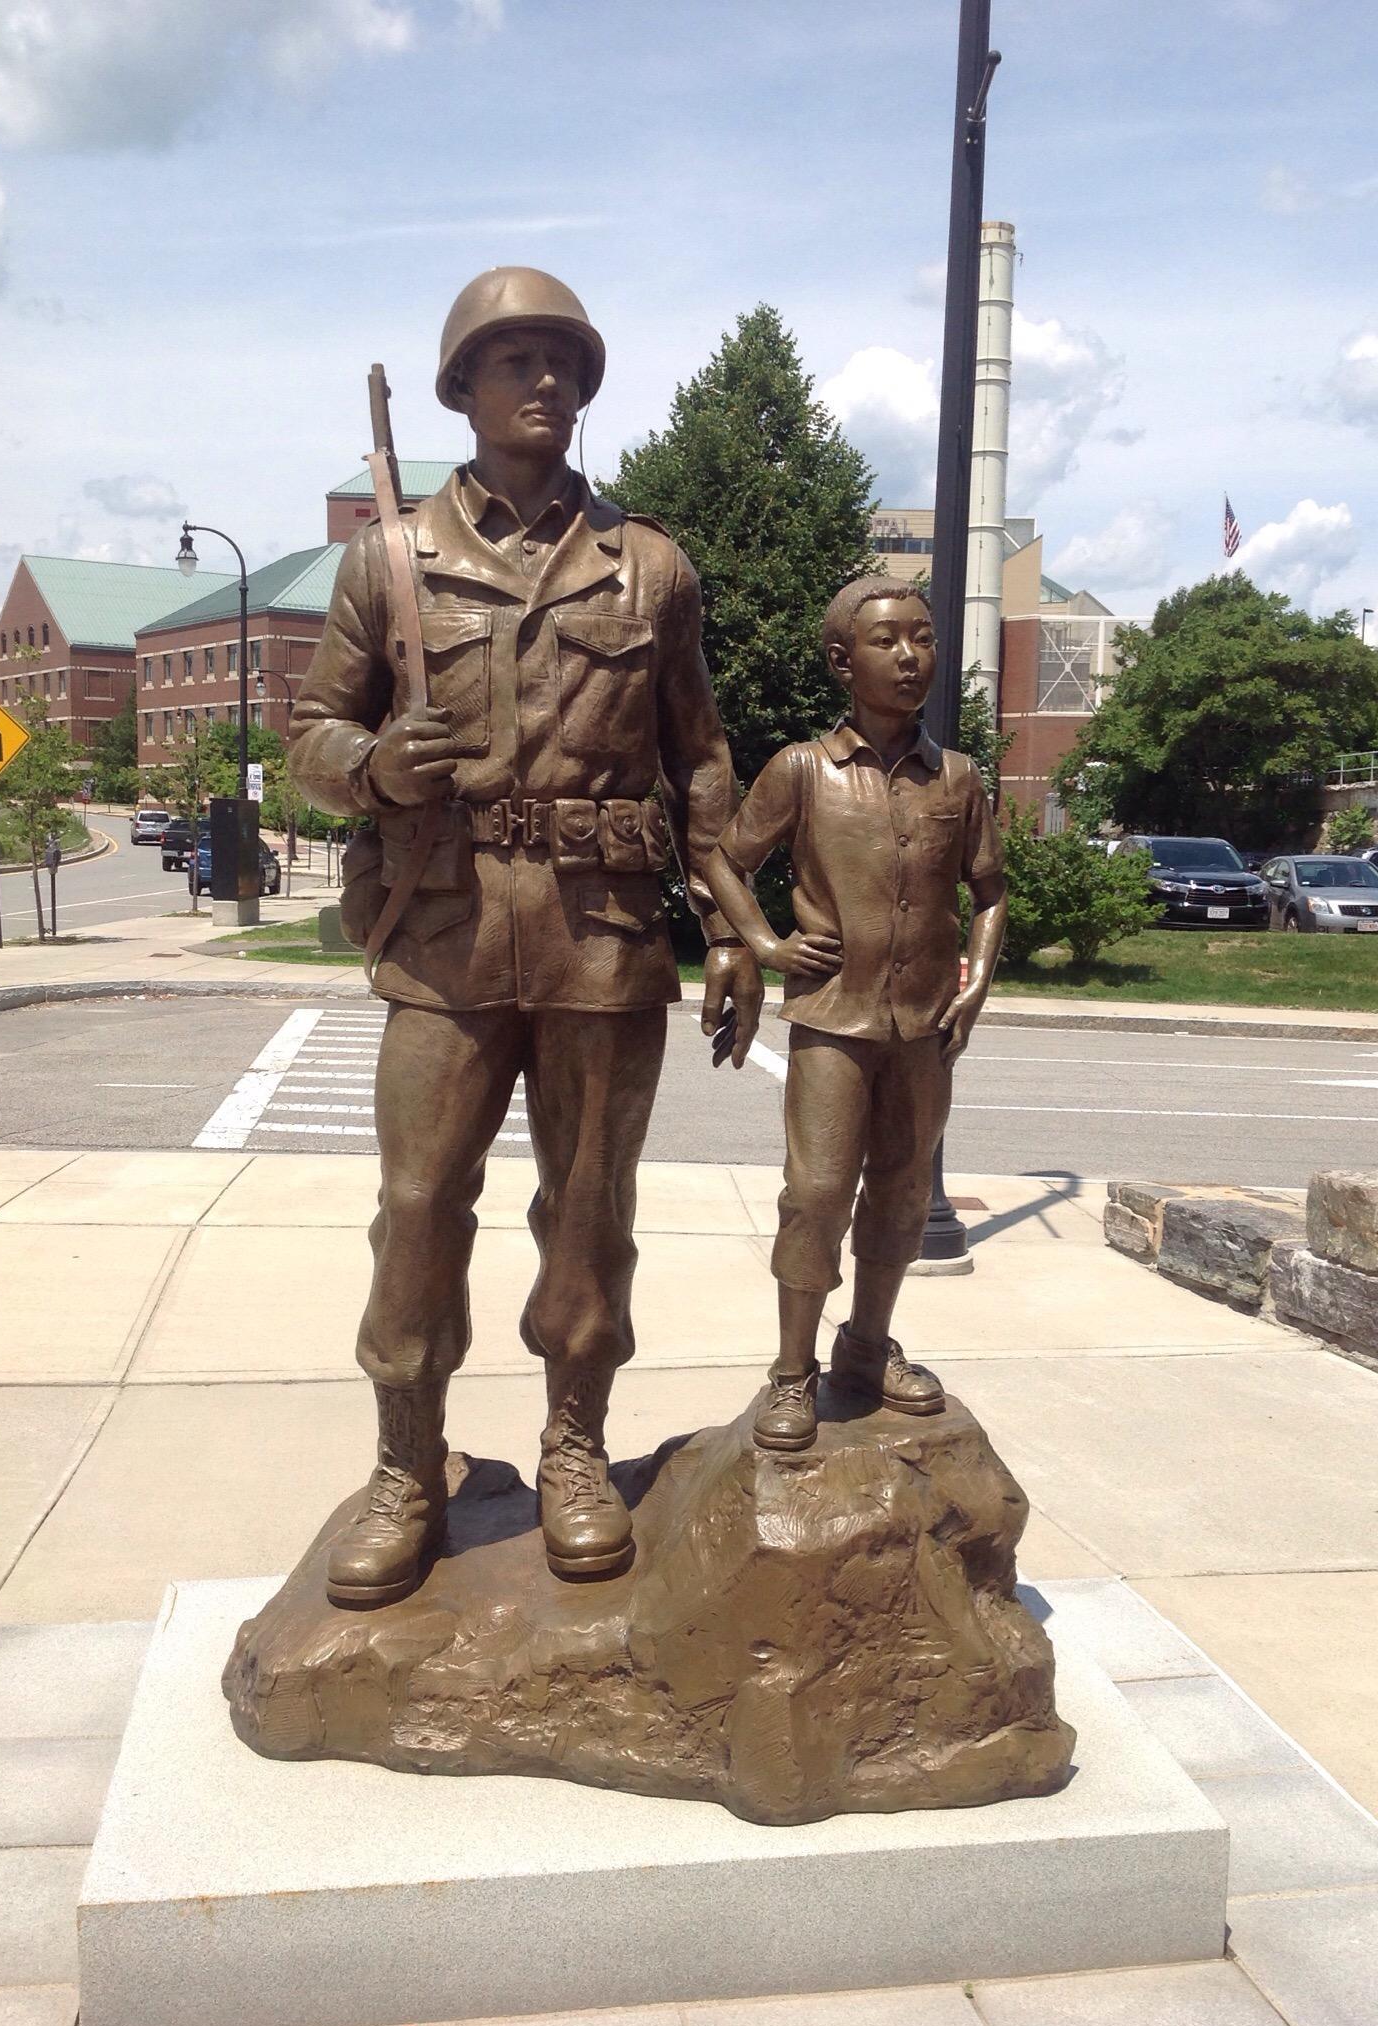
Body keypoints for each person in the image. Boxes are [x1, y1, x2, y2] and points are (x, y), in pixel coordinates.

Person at [288, 267, 762, 1602]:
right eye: (515, 361)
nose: (544, 380)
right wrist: (379, 763)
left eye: (562, 360)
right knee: (419, 1206)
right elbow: (310, 737)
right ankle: (406, 1462)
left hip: (603, 936)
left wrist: (730, 920)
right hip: (443, 934)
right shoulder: (390, 560)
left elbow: (701, 761)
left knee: (590, 1213)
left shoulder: (650, 565)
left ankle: (571, 1444)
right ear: (463, 390)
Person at [704, 577, 1006, 1450]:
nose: (912, 656)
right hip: (834, 1021)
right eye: (888, 641)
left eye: (924, 637)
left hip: (924, 1026)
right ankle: (791, 1371)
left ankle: (867, 1349)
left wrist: (977, 980)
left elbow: (989, 892)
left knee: (904, 1196)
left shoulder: (957, 776)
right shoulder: (803, 768)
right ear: (843, 661)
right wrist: (763, 944)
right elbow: (727, 860)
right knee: (818, 1194)